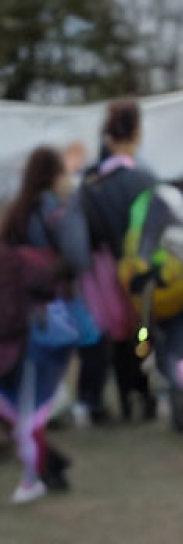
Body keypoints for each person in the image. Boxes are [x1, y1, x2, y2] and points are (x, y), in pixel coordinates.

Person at [68, 100, 157, 423]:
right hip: (140, 271)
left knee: (117, 338)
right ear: (136, 134)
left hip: (105, 277)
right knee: (143, 334)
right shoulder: (145, 180)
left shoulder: (90, 185)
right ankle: (143, 392)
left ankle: (124, 399)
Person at [0, 147, 78, 504]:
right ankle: (44, 470)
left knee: (25, 407)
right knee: (30, 407)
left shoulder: (17, 213)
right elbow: (71, 257)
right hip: (44, 319)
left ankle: (44, 470)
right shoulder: (50, 210)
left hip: (20, 321)